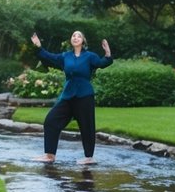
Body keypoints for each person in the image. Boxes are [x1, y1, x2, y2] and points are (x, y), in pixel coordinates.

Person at [30, 30, 113, 164]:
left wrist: (108, 53)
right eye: (73, 35)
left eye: (79, 35)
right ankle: (50, 155)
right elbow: (49, 57)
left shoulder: (90, 56)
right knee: (50, 120)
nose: (75, 37)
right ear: (71, 40)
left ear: (83, 41)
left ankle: (89, 158)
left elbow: (102, 63)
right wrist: (39, 46)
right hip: (68, 96)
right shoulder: (65, 56)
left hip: (85, 96)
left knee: (87, 126)